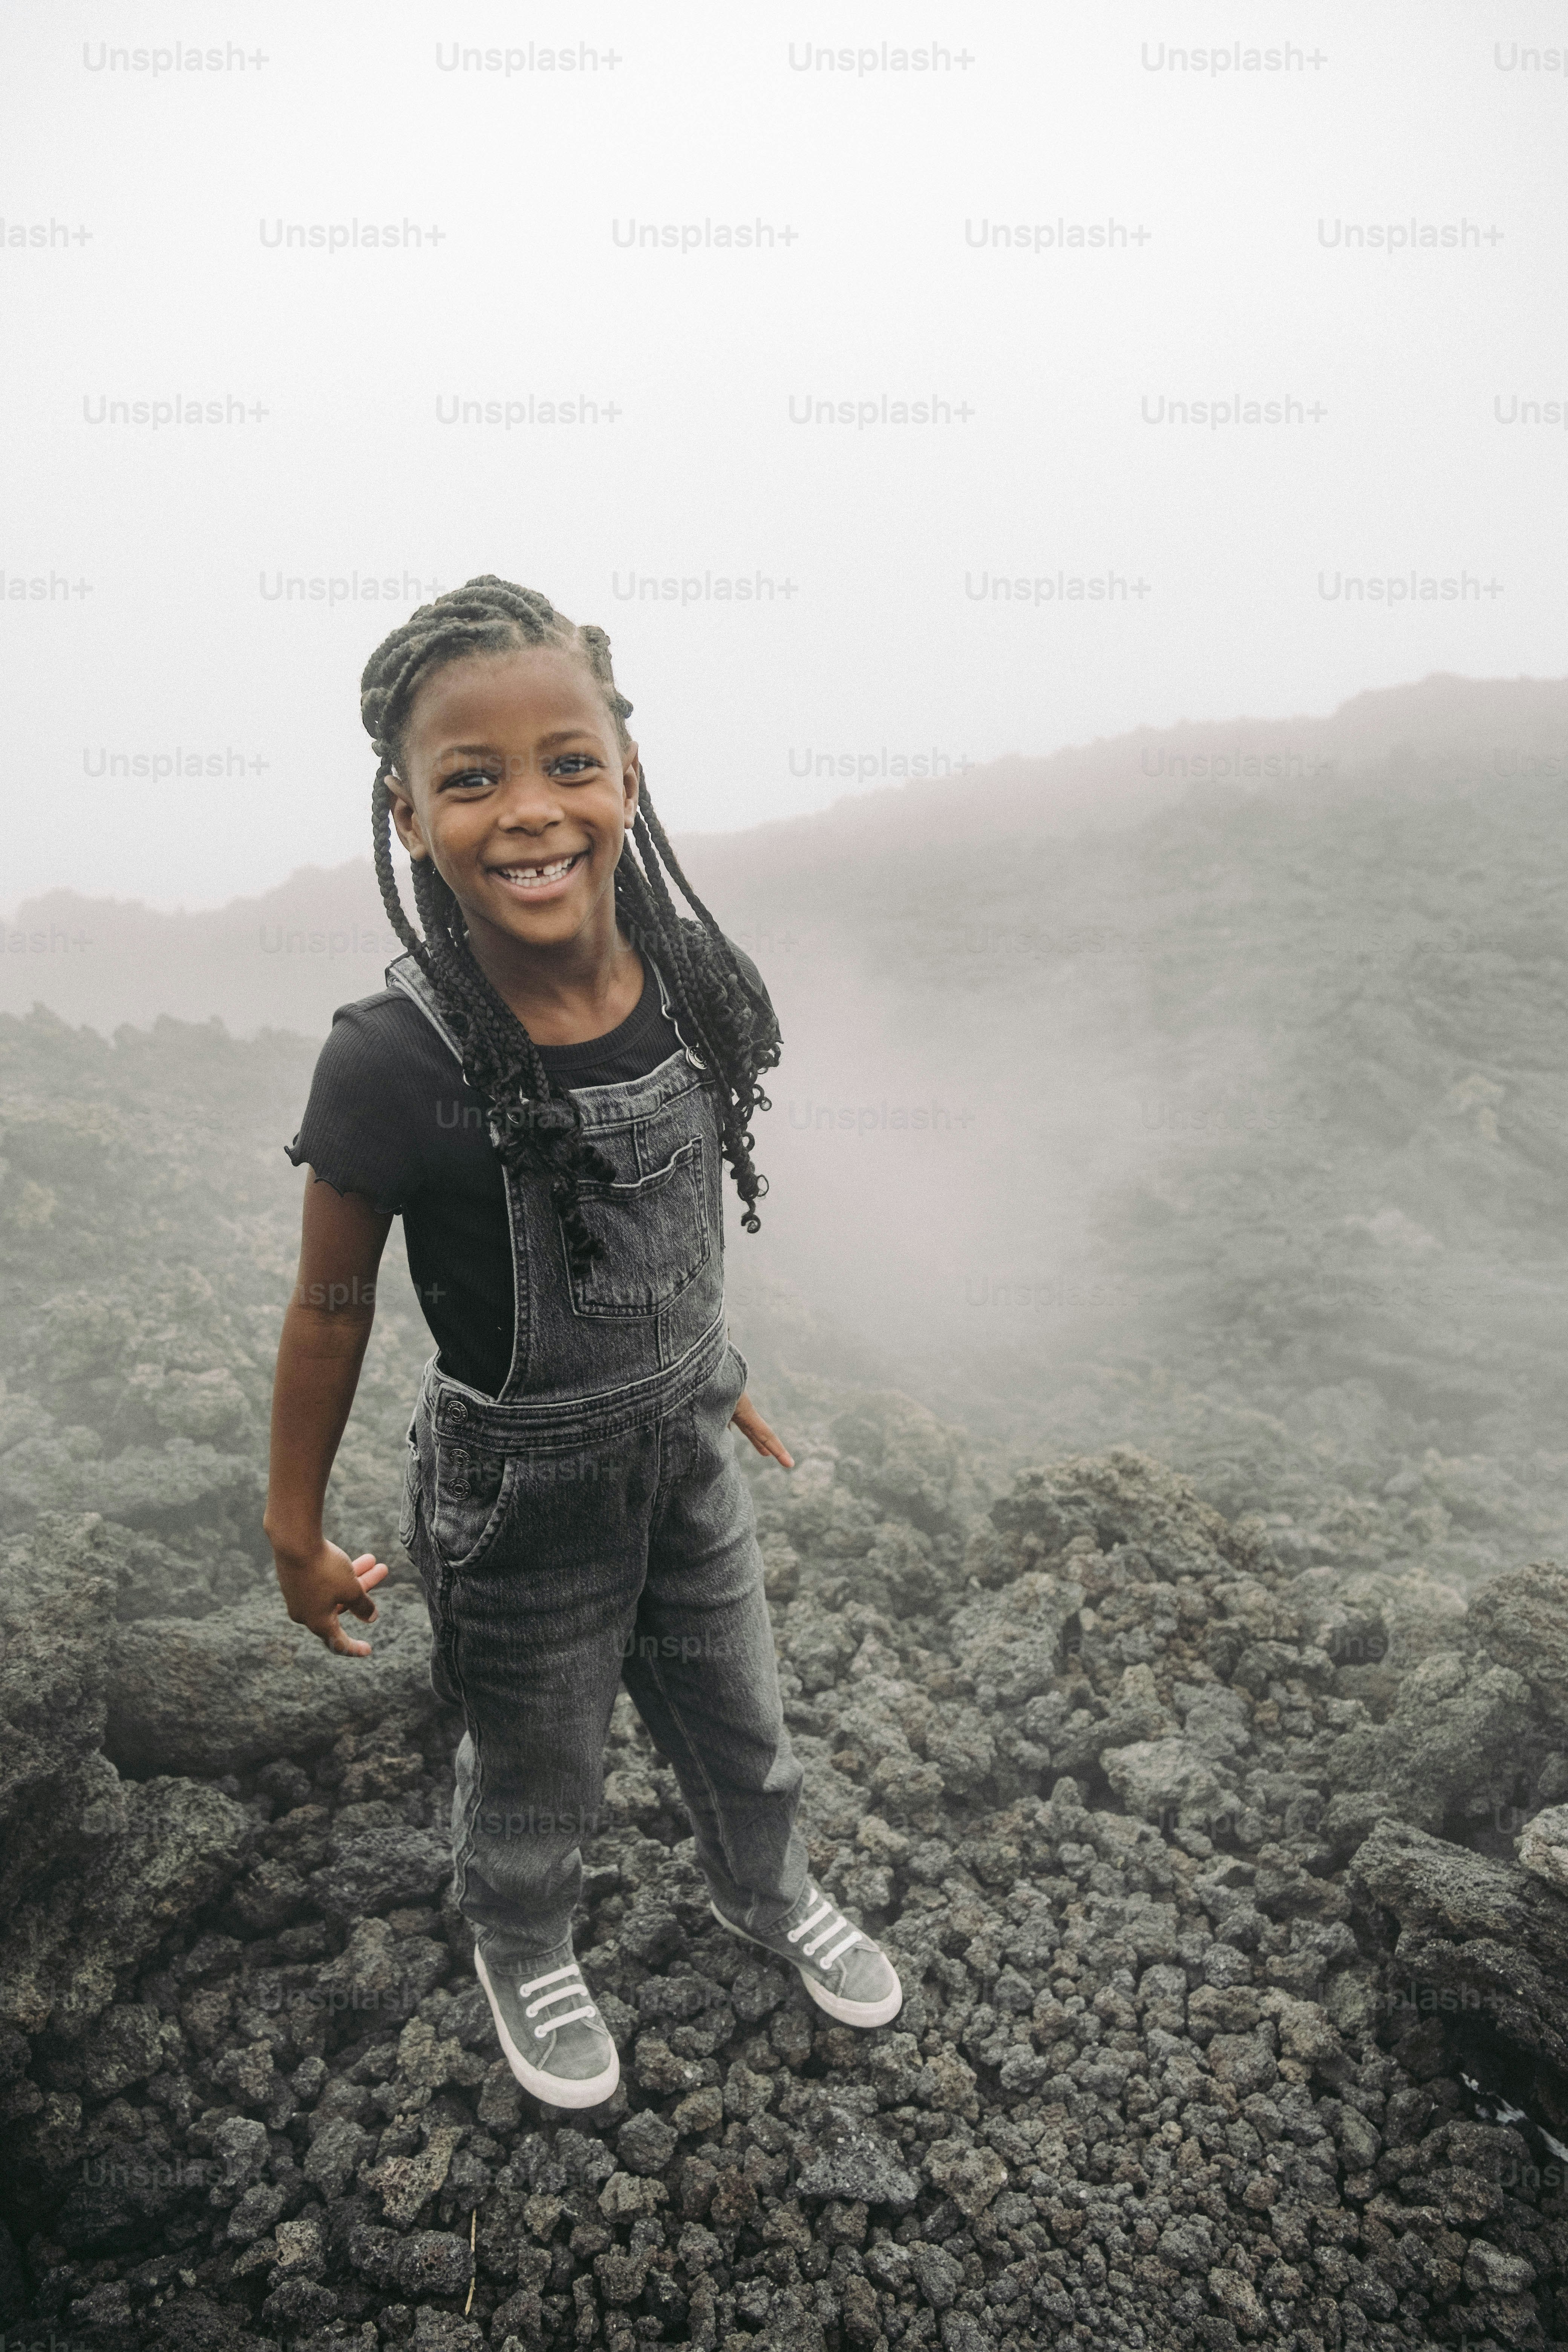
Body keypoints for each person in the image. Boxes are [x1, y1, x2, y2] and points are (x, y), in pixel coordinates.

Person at [263, 576, 902, 2109]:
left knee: (740, 1720)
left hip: (683, 1455)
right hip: (519, 1497)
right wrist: (290, 1528)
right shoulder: (391, 1055)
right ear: (408, 819)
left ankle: (763, 1892)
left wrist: (712, 1375)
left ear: (628, 778)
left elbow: (677, 1221)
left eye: (568, 763)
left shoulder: (684, 978)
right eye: (468, 780)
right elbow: (331, 1307)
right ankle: (522, 1938)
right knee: (536, 1762)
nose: (528, 810)